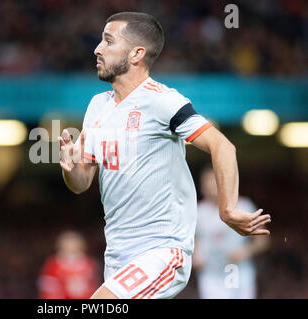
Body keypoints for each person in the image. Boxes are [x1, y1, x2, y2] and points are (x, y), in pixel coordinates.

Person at [58, 12, 271, 299]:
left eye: (108, 41)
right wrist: (71, 169)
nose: (97, 48)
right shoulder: (98, 106)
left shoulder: (162, 100)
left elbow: (223, 146)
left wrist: (227, 209)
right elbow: (82, 182)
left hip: (162, 250)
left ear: (136, 54)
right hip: (118, 254)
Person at [193, 166, 270, 299]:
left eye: (214, 180)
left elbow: (263, 240)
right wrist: (195, 257)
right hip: (211, 275)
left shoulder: (244, 206)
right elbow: (194, 240)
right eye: (206, 181)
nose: (210, 185)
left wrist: (245, 251)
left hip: (238, 272)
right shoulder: (197, 211)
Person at [37, 230, 101, 299]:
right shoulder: (53, 264)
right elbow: (47, 288)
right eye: (68, 243)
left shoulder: (89, 263)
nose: (71, 246)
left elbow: (95, 284)